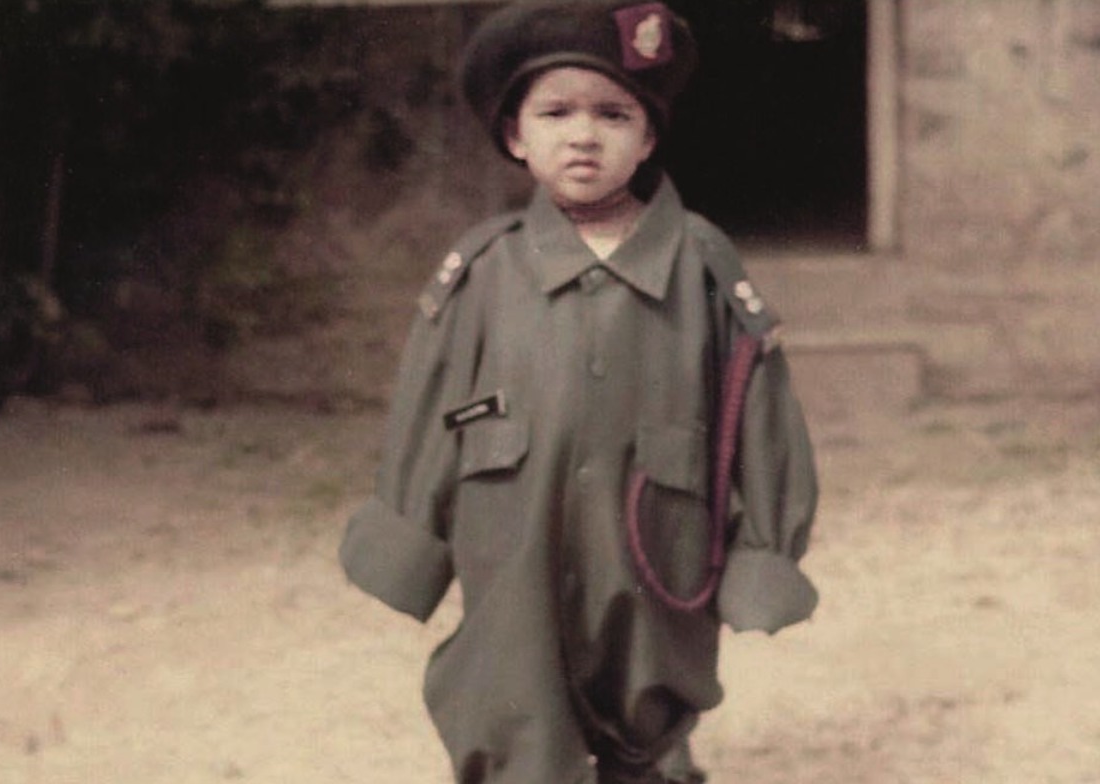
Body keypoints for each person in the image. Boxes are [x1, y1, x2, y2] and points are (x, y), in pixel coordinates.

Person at [338, 2, 819, 782]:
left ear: (649, 136)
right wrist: (410, 535)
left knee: (650, 709)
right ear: (516, 136)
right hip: (512, 538)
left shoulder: (702, 265)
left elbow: (761, 409)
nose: (585, 134)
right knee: (506, 700)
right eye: (555, 112)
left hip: (654, 542)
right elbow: (431, 407)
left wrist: (766, 549)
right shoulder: (484, 270)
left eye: (614, 113)